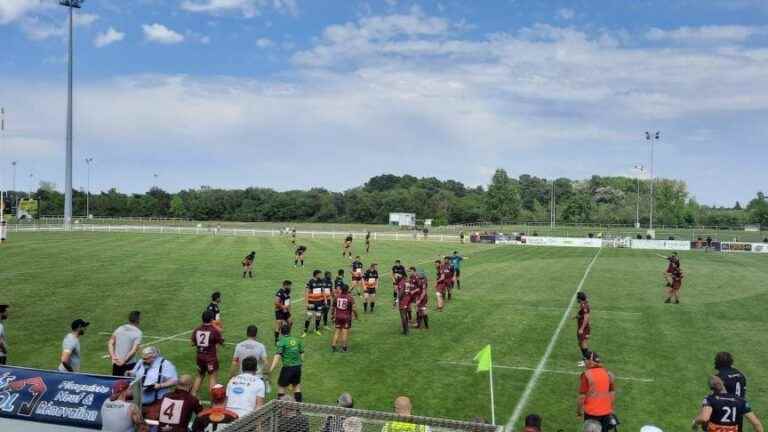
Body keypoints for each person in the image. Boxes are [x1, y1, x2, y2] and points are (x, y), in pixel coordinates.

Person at [692, 375, 764, 432]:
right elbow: (756, 423)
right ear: (723, 383)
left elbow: (704, 418)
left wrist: (695, 422)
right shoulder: (740, 401)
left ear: (711, 388)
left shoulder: (710, 399)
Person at [130, 346, 179, 420]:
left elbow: (174, 380)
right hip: (139, 400)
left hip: (156, 403)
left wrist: (160, 385)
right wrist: (130, 373)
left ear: (154, 357)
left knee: (151, 423)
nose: (144, 360)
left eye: (146, 358)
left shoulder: (165, 364)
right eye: (143, 358)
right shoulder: (141, 361)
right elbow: (134, 373)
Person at [577, 351, 617, 431]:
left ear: (590, 361)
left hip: (592, 413)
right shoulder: (608, 373)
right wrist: (611, 409)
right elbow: (612, 394)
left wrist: (578, 411)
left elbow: (582, 397)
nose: (584, 363)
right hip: (606, 413)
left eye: (584, 360)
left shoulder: (587, 374)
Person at [191, 310, 225, 396]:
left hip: (199, 357)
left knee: (199, 375)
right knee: (212, 377)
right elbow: (221, 341)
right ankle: (213, 400)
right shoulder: (214, 330)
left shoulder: (197, 329)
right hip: (210, 358)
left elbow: (192, 343)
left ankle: (193, 395)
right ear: (211, 319)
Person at [270, 324, 304, 402]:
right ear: (289, 331)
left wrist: (271, 368)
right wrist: (301, 362)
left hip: (288, 368)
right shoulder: (297, 340)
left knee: (281, 386)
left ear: (281, 332)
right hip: (297, 367)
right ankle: (298, 408)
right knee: (296, 386)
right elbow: (302, 353)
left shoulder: (281, 342)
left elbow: (277, 356)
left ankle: (280, 407)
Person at [108, 311, 143, 376]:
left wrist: (113, 357)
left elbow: (110, 343)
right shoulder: (138, 333)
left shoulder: (120, 328)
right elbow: (133, 350)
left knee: (116, 384)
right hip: (129, 365)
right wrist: (124, 361)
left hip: (116, 363)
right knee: (129, 385)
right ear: (138, 320)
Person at [332, 284, 358, 352]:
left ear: (341, 289)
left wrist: (332, 315)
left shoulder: (336, 297)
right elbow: (354, 309)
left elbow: (333, 307)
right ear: (347, 289)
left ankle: (333, 346)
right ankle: (344, 347)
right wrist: (356, 316)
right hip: (346, 317)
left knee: (337, 331)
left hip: (338, 316)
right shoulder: (350, 298)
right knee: (344, 332)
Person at [303, 270, 326, 337]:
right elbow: (307, 292)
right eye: (319, 274)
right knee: (309, 316)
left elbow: (323, 291)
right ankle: (305, 331)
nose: (321, 276)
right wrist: (307, 302)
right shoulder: (310, 282)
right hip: (311, 302)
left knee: (318, 316)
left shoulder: (321, 281)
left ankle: (316, 329)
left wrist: (325, 300)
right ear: (316, 275)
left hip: (319, 302)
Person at [573, 292, 591, 365]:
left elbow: (586, 317)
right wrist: (577, 317)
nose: (576, 299)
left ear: (580, 299)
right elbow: (583, 315)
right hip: (583, 327)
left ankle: (587, 360)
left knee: (583, 343)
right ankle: (585, 359)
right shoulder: (583, 304)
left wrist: (582, 328)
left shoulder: (584, 306)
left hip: (583, 327)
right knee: (581, 343)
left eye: (577, 297)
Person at [275, 280, 293, 345]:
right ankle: (276, 340)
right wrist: (283, 307)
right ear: (285, 285)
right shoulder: (279, 292)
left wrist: (289, 309)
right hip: (279, 311)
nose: (290, 287)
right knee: (279, 325)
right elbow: (276, 303)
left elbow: (288, 299)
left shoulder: (287, 291)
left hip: (286, 311)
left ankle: (287, 335)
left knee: (290, 322)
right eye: (289, 285)